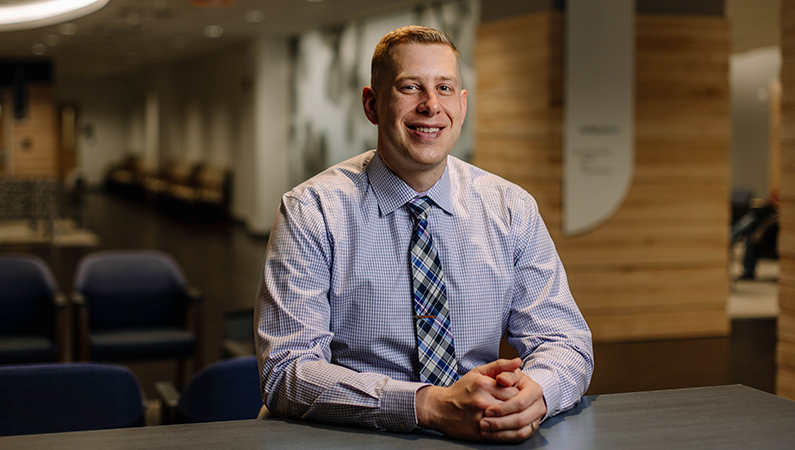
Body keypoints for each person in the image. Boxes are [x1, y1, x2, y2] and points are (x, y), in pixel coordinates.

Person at [255, 25, 593, 443]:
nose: (431, 106)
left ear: (462, 105)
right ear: (372, 104)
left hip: (482, 431)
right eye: (411, 87)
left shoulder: (512, 208)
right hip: (352, 436)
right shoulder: (312, 211)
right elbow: (288, 369)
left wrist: (534, 394)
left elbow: (565, 340)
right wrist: (430, 405)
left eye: (445, 88)